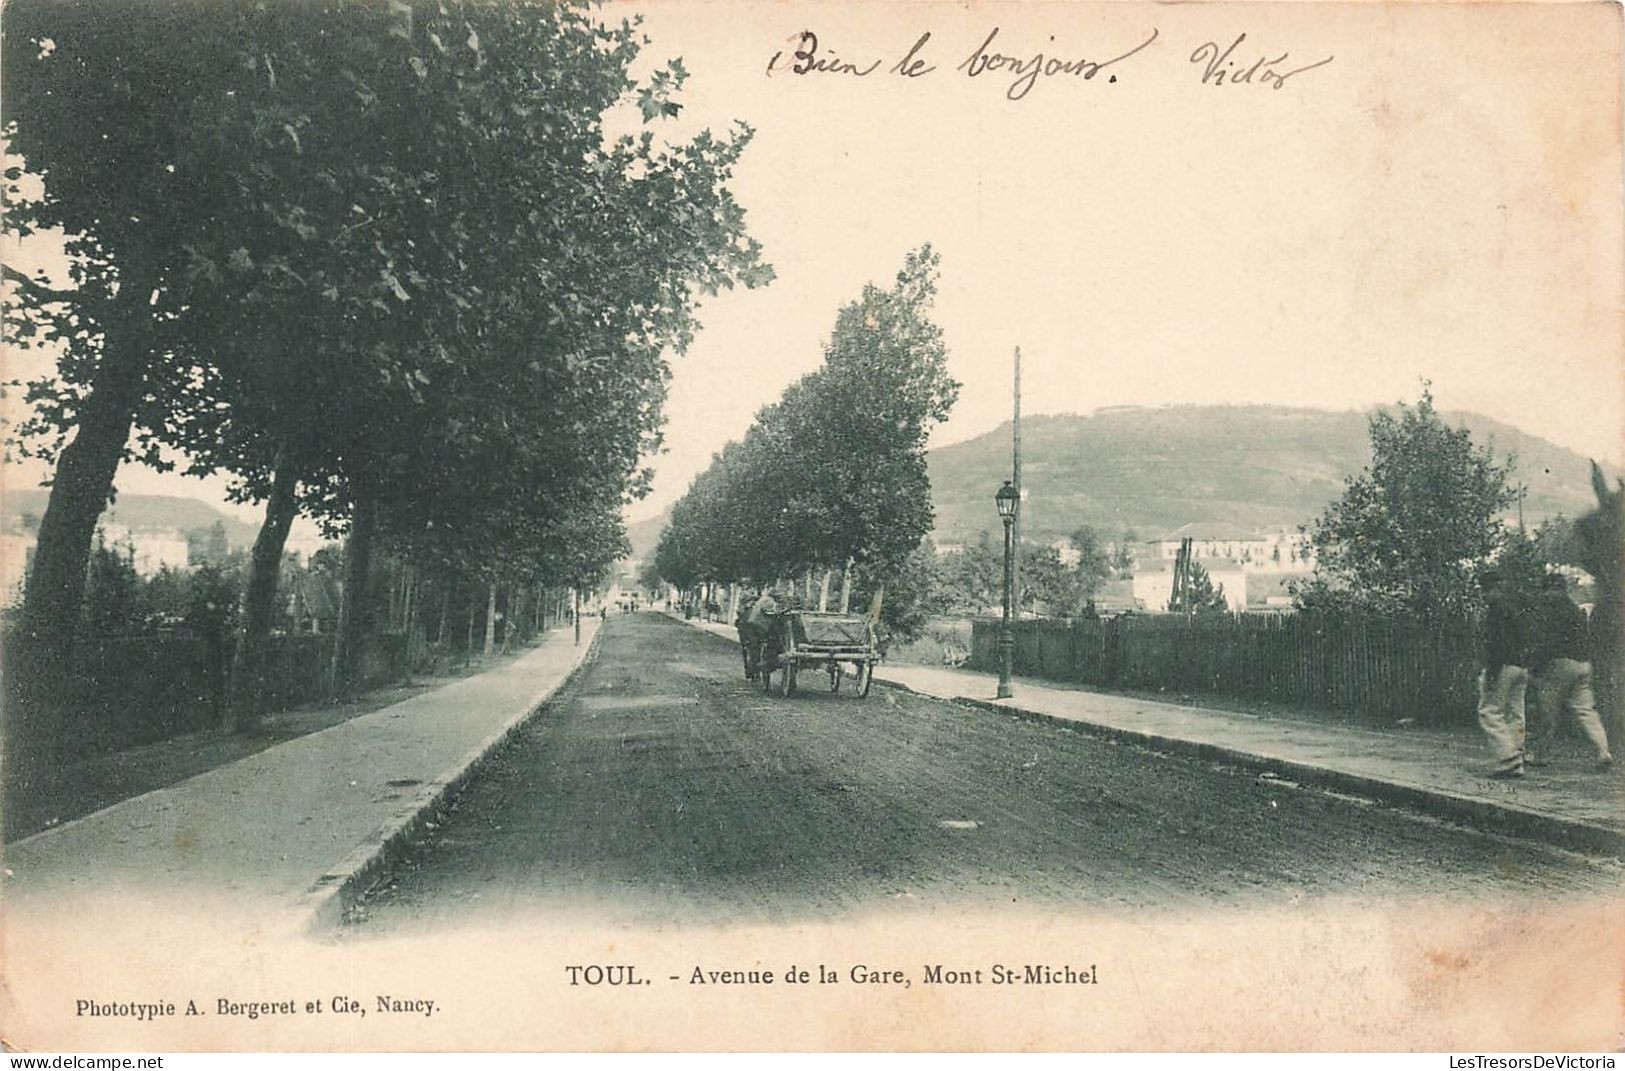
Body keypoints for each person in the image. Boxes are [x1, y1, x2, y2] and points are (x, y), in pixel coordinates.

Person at [1526, 574, 1615, 771]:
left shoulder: (1550, 609)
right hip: (1583, 664)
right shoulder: (1575, 609)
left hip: (1560, 664)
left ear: (1549, 589)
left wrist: (1536, 668)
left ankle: (1539, 754)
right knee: (1586, 710)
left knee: (1546, 710)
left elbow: (1547, 643)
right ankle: (1603, 751)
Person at [1477, 566, 1535, 779]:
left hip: (1502, 666)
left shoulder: (1495, 610)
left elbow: (1496, 643)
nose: (1483, 595)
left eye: (1485, 590)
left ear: (1493, 590)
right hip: (1521, 667)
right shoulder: (1516, 608)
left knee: (1489, 711)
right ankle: (1517, 760)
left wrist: (1492, 672)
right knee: (1515, 713)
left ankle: (1506, 757)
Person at [737, 588, 781, 681]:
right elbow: (770, 612)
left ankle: (753, 670)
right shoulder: (769, 601)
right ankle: (755, 668)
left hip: (752, 625)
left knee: (753, 648)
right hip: (758, 626)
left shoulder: (763, 599)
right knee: (757, 647)